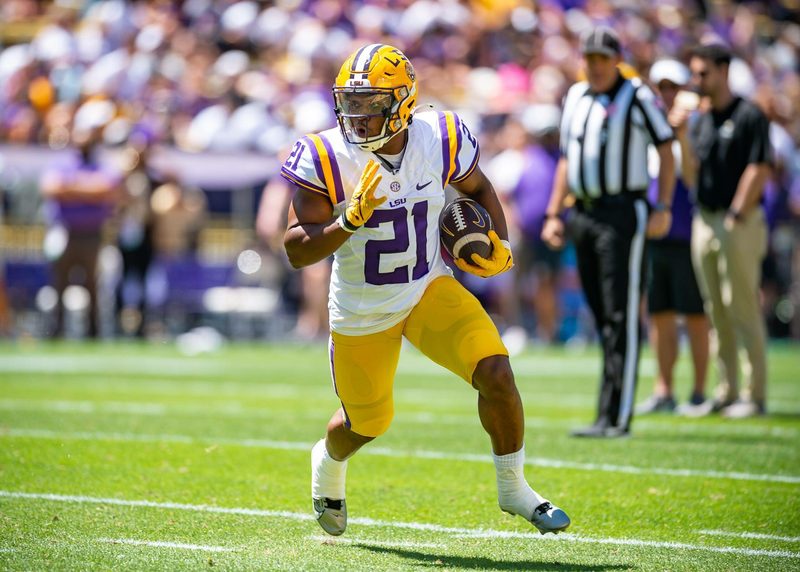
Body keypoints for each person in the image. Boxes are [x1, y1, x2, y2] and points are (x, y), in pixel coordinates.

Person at [281, 43, 570, 537]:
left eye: (372, 104)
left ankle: (514, 487)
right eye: (351, 103)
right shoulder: (326, 153)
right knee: (367, 423)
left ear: (404, 102)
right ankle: (327, 462)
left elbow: (478, 189)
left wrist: (496, 241)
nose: (358, 116)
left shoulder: (440, 135)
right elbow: (295, 248)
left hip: (426, 287)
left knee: (497, 372)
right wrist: (348, 220)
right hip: (362, 309)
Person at [541, 26, 675, 438]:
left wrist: (663, 205)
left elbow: (666, 147)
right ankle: (606, 412)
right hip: (582, 212)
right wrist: (554, 212)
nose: (596, 66)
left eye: (603, 58)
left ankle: (616, 417)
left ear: (617, 59)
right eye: (590, 58)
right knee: (601, 313)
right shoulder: (577, 96)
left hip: (622, 211)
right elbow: (567, 158)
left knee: (621, 312)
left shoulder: (637, 96)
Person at [680, 43, 771, 418]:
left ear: (723, 71)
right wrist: (681, 134)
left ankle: (754, 394)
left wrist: (736, 212)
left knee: (741, 305)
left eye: (704, 73)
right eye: (695, 73)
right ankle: (726, 390)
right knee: (714, 308)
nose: (697, 80)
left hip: (739, 220)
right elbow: (691, 176)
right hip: (706, 218)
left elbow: (760, 166)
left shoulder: (749, 114)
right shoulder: (700, 119)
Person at [636, 59, 709, 415]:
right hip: (655, 239)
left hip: (686, 236)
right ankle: (663, 389)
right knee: (660, 314)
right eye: (661, 87)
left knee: (695, 315)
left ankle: (698, 391)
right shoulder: (647, 130)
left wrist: (681, 134)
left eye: (672, 88)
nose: (665, 95)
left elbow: (694, 181)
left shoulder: (695, 131)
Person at [40, 100, 122, 338]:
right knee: (59, 285)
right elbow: (51, 187)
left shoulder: (102, 164)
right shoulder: (62, 162)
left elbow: (107, 188)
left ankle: (93, 333)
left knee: (94, 287)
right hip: (65, 232)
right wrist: (88, 191)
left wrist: (71, 189)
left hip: (93, 234)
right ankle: (56, 330)